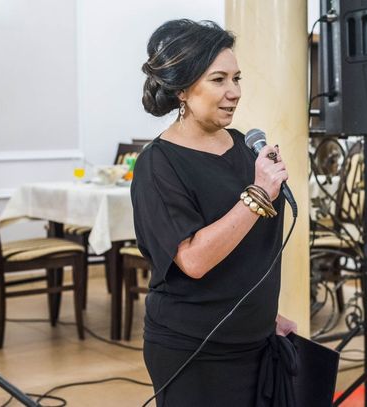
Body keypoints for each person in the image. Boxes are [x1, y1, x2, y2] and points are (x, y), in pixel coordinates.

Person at [131, 19, 298, 407]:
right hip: (195, 350)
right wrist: (258, 194)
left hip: (256, 342)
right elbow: (193, 260)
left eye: (236, 79)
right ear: (183, 89)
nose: (234, 92)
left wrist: (263, 316)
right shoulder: (158, 165)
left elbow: (247, 256)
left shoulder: (244, 148)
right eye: (218, 80)